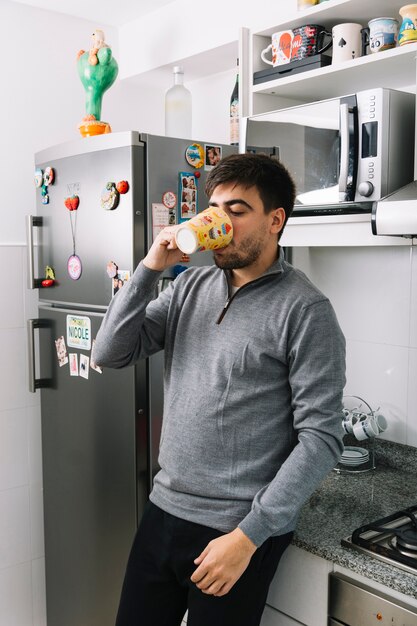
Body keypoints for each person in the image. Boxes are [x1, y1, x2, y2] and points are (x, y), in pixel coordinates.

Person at [92, 152, 346, 626]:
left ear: (275, 220)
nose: (218, 221)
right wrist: (150, 267)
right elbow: (109, 352)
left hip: (234, 531)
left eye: (237, 209)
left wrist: (248, 536)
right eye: (213, 207)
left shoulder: (306, 310)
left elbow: (323, 439)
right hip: (163, 508)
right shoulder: (189, 288)